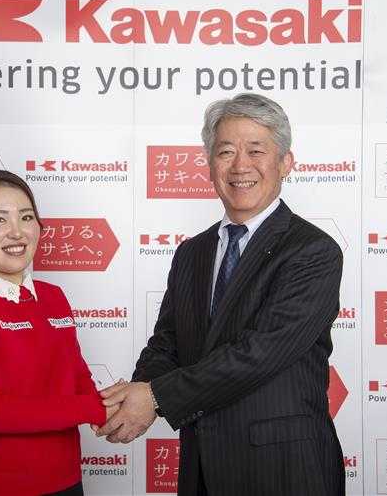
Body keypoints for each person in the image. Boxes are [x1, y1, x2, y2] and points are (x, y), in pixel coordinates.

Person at [97, 93, 345, 495]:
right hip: (203, 466)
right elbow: (168, 342)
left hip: (284, 469)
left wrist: (155, 397)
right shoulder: (192, 252)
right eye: (226, 151)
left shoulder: (312, 251)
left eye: (256, 151)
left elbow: (259, 353)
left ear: (285, 162)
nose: (240, 166)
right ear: (210, 165)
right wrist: (135, 396)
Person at [0, 170, 110, 496]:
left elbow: (77, 378)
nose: (17, 232)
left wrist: (115, 406)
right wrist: (96, 408)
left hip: (68, 482)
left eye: (26, 217)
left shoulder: (53, 296)